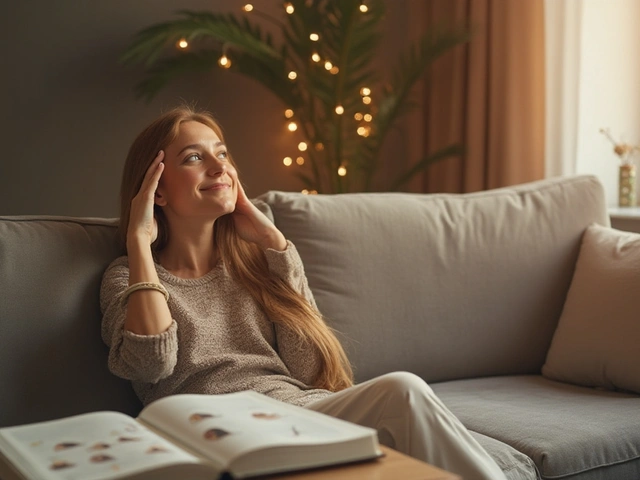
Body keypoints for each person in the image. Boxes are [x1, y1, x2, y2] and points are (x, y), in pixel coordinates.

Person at [100, 106, 507, 480]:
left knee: (404, 389)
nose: (217, 167)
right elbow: (150, 365)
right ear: (158, 190)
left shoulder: (255, 263)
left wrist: (275, 243)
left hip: (299, 414)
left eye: (222, 154)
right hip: (210, 432)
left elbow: (311, 368)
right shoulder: (127, 276)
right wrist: (139, 242)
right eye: (193, 157)